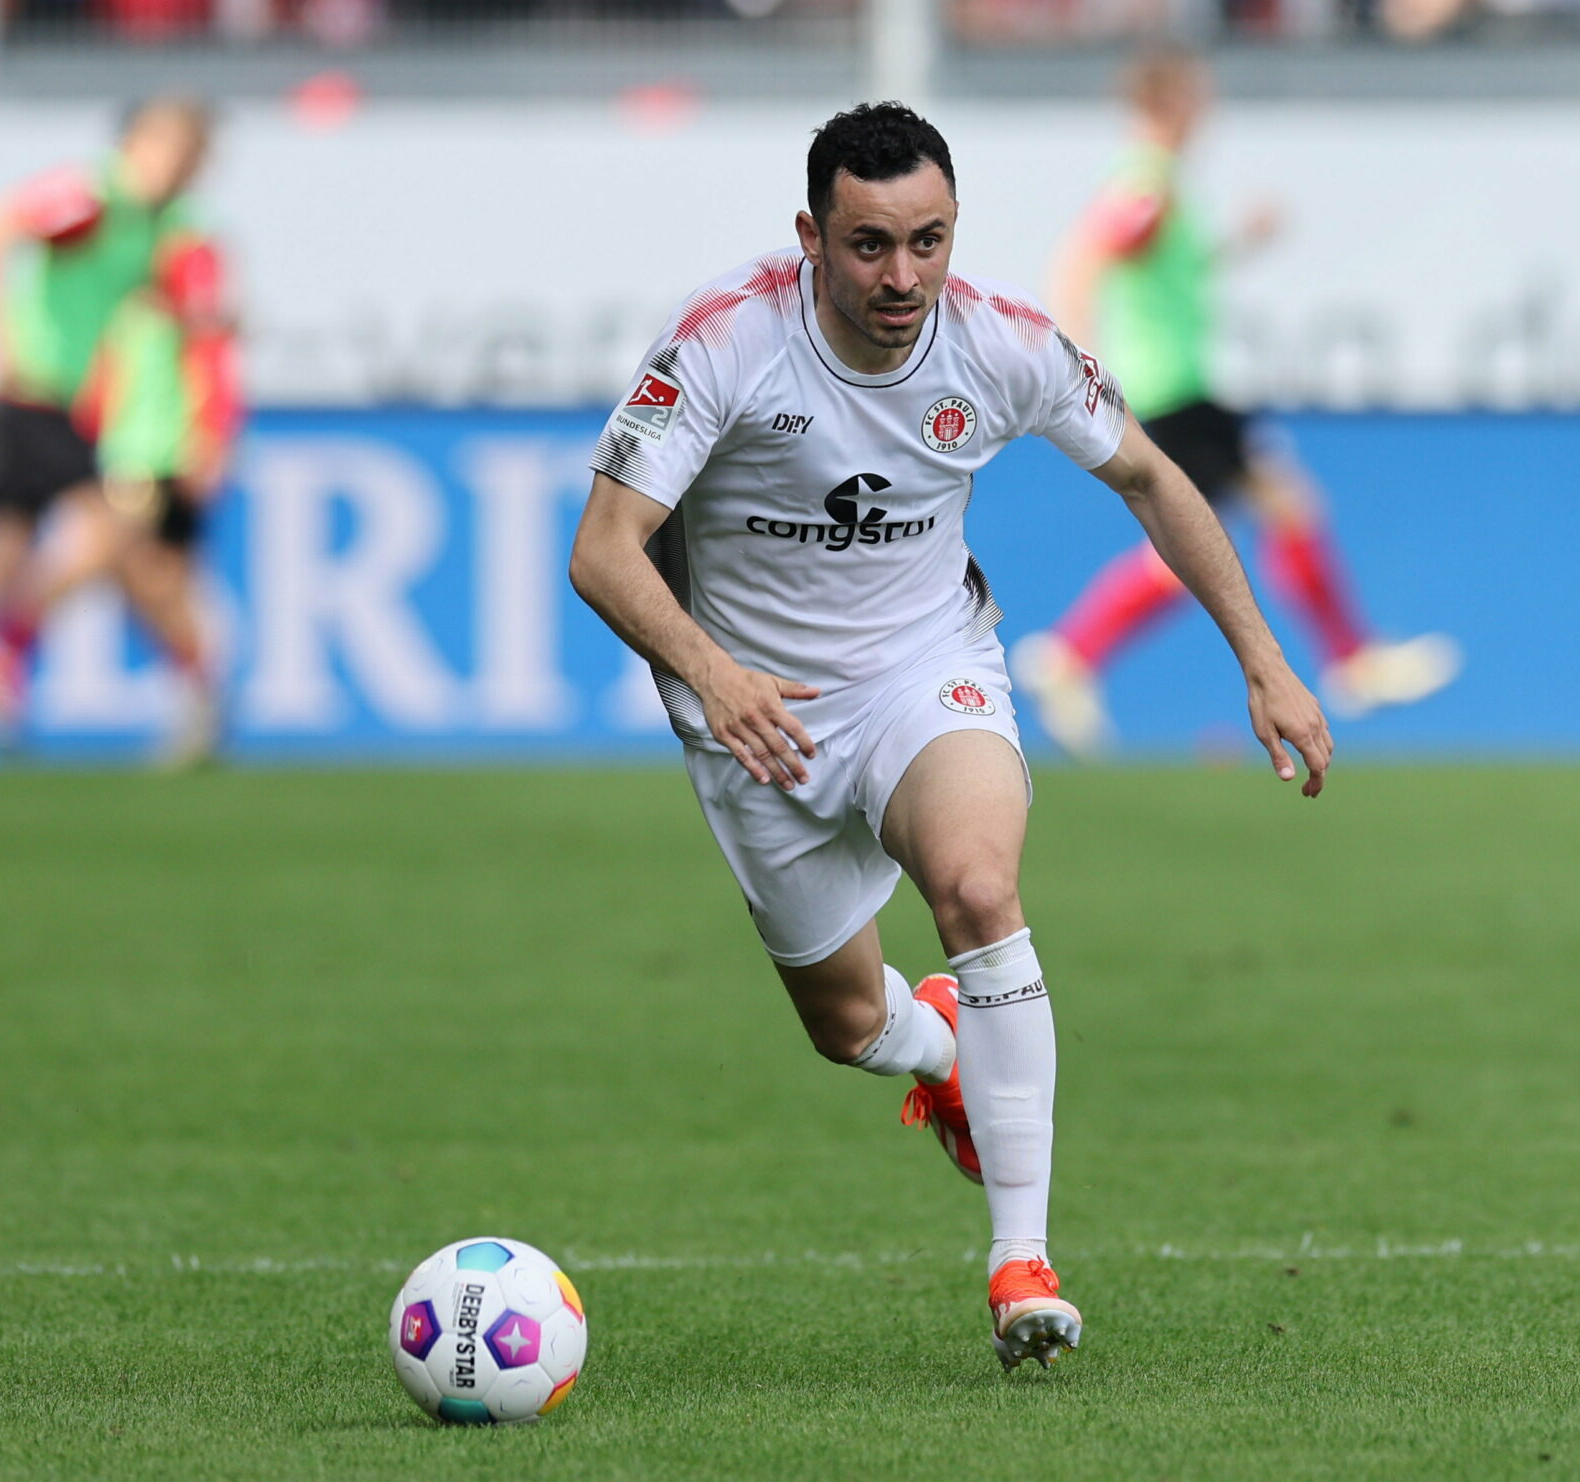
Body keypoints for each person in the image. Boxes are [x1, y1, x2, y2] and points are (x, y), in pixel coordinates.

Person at [567, 103, 1333, 1370]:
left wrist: (1261, 659)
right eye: (868, 246)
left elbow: (1148, 473)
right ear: (810, 235)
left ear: (954, 229)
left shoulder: (999, 343)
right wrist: (714, 672)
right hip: (755, 720)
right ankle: (944, 1057)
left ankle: (1020, 1263)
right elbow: (603, 552)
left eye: (927, 241)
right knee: (847, 1025)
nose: (901, 277)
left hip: (925, 673)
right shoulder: (725, 341)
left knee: (979, 886)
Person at [1011, 46, 1457, 760]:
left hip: (1180, 387)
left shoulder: (1163, 185)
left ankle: (1075, 654)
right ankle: (1346, 660)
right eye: (1197, 97)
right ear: (1169, 103)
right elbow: (1084, 258)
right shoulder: (1147, 182)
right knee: (1236, 526)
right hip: (1174, 390)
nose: (1207, 112)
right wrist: (1078, 363)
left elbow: (1158, 272)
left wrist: (1235, 247)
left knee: (1225, 530)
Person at [0, 96, 210, 758]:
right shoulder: (92, 197)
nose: (183, 167)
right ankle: (1, 655)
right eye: (174, 149)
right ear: (139, 144)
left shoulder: (155, 223)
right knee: (112, 532)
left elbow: (139, 297)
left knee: (3, 562)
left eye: (192, 156)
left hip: (71, 408)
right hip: (33, 401)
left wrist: (203, 322)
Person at [0, 225, 240, 767]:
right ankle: (6, 651)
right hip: (132, 462)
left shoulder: (195, 327)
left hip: (179, 461)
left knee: (163, 587)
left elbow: (217, 381)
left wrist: (213, 442)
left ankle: (200, 692)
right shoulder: (126, 317)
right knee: (97, 553)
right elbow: (101, 388)